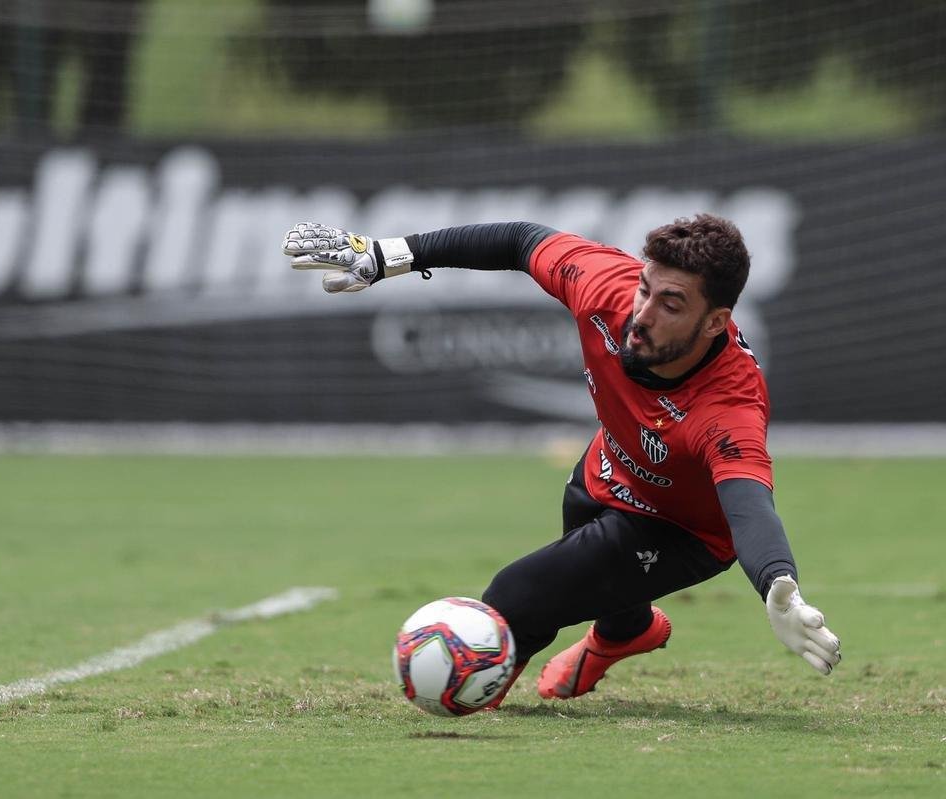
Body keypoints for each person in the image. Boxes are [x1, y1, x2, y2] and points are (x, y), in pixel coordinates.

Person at [282, 218, 842, 703]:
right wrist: (389, 255)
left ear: (716, 322)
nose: (642, 314)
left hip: (683, 531)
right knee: (593, 546)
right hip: (607, 470)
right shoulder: (605, 286)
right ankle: (627, 632)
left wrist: (778, 583)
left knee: (514, 598)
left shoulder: (729, 407)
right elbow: (518, 241)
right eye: (645, 289)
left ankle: (477, 683)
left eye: (671, 305)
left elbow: (749, 506)